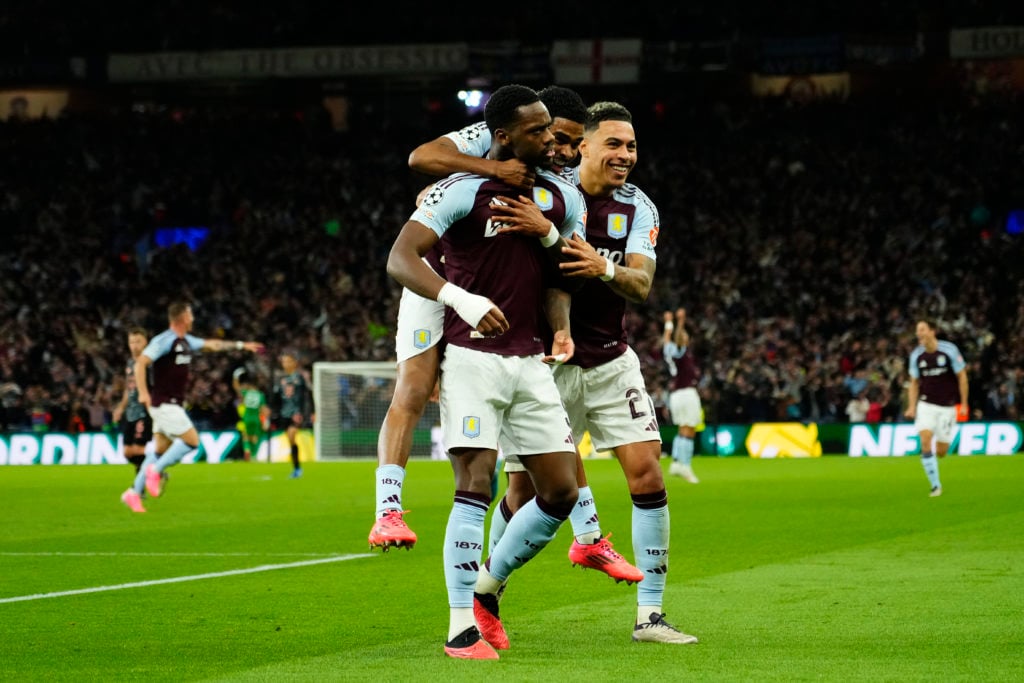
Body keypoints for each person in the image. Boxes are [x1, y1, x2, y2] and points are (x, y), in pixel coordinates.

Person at [482, 101, 697, 644]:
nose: (625, 156)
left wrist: (603, 264)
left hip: (610, 359)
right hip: (546, 363)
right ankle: (488, 589)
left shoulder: (639, 207)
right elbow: (545, 272)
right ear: (584, 146)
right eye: (615, 145)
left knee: (647, 473)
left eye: (632, 147)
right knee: (523, 493)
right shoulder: (553, 194)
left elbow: (641, 285)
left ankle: (649, 615)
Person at [386, 84, 586, 660]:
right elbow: (402, 257)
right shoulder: (461, 188)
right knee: (475, 486)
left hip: (530, 361)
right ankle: (459, 628)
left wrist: (544, 234)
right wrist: (461, 300)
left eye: (552, 130)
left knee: (562, 491)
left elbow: (565, 270)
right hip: (472, 355)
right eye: (538, 131)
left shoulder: (559, 195)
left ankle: (484, 586)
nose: (551, 139)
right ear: (504, 138)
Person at [121, 302, 263, 513]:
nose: (193, 318)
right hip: (165, 404)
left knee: (159, 450)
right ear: (182, 317)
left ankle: (134, 492)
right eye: (190, 314)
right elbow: (141, 363)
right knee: (192, 441)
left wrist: (242, 345)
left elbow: (212, 345)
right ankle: (156, 472)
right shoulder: (164, 340)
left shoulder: (186, 341)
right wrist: (143, 392)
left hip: (170, 404)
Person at [904, 320, 968, 497]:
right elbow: (914, 382)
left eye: (922, 329)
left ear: (932, 331)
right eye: (917, 331)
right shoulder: (916, 355)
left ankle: (936, 471)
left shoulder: (949, 350)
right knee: (925, 440)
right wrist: (911, 406)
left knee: (941, 452)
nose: (919, 333)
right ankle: (935, 485)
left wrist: (963, 403)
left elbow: (962, 377)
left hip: (947, 407)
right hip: (926, 405)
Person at [112, 327, 158, 510]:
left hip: (144, 412)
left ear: (146, 341)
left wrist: (153, 410)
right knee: (128, 453)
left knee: (138, 449)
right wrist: (120, 407)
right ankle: (154, 471)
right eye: (131, 342)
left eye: (138, 341)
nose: (134, 345)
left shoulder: (150, 363)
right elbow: (129, 388)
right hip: (130, 412)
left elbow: (155, 387)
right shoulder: (131, 363)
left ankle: (139, 488)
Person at [663, 307, 702, 483]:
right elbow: (678, 339)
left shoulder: (669, 352)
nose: (686, 337)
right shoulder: (681, 351)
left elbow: (667, 339)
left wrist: (668, 323)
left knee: (682, 429)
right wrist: (681, 322)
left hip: (676, 395)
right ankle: (685, 465)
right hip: (686, 393)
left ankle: (677, 462)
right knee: (689, 429)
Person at [272, 351, 313, 478]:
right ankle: (296, 468)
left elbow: (306, 395)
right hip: (284, 414)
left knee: (291, 435)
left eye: (288, 361)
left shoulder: (299, 378)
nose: (285, 364)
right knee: (291, 441)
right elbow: (276, 397)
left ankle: (297, 469)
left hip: (296, 414)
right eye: (284, 361)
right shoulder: (281, 379)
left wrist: (309, 411)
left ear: (294, 363)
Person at [233, 367, 269, 462]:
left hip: (247, 417)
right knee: (255, 437)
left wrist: (236, 375)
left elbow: (236, 387)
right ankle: (254, 454)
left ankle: (247, 450)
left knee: (246, 436)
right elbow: (263, 409)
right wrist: (265, 421)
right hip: (256, 418)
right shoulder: (260, 395)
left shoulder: (246, 393)